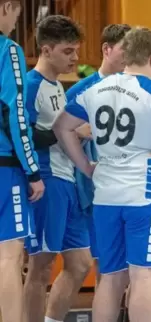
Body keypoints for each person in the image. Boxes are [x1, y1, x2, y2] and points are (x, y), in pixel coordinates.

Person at [53, 26, 151, 322]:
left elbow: (61, 126)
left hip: (105, 195)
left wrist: (86, 166)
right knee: (143, 277)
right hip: (146, 195)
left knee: (111, 276)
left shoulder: (95, 89)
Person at [22, 15, 92, 322]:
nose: (75, 58)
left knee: (80, 264)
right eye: (68, 51)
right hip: (48, 182)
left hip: (68, 182)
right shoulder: (32, 85)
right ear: (46, 50)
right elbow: (22, 134)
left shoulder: (57, 87)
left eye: (76, 50)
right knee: (41, 266)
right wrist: (70, 133)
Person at [66, 23, 132, 285]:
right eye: (126, 50)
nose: (131, 58)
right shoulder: (79, 92)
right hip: (93, 193)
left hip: (131, 189)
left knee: (129, 270)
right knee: (105, 268)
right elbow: (60, 140)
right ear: (107, 49)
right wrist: (79, 135)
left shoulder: (137, 91)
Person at [0, 1, 45, 321]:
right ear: (6, 6)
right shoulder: (8, 50)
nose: (16, 20)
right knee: (9, 256)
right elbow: (14, 113)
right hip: (4, 167)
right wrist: (32, 171)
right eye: (16, 12)